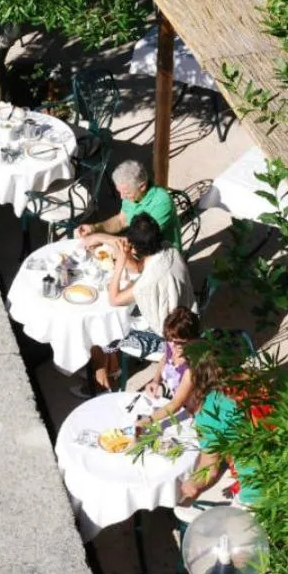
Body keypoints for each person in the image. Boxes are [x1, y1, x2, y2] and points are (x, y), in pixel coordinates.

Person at [78, 214, 193, 395]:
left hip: (163, 337)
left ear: (135, 248)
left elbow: (114, 299)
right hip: (185, 315)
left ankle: (100, 384)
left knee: (102, 330)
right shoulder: (170, 250)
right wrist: (99, 237)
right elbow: (140, 265)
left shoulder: (146, 282)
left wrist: (121, 262)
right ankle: (112, 367)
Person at [177, 351, 263, 508]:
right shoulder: (251, 383)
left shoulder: (210, 412)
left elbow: (210, 470)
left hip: (258, 493)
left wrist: (190, 485)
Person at [76, 159, 181, 250]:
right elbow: (121, 221)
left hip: (161, 253)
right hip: (138, 245)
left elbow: (141, 242)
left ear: (142, 186)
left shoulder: (161, 202)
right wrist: (94, 228)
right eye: (119, 192)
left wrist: (98, 237)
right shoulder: (132, 194)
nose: (122, 197)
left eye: (126, 193)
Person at [133, 308, 203, 430]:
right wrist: (156, 380)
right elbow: (165, 358)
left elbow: (176, 404)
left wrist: (149, 420)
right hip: (175, 402)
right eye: (171, 341)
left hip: (193, 413)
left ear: (194, 339)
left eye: (181, 342)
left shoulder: (192, 367)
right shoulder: (173, 343)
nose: (175, 346)